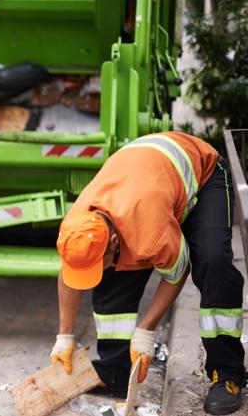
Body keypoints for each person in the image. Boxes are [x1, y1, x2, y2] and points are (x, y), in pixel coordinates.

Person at [51, 131, 246, 415]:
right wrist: (64, 337)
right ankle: (115, 371)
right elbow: (69, 274)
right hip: (148, 178)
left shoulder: (149, 232)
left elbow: (177, 272)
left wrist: (146, 332)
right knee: (112, 277)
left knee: (212, 262)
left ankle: (227, 375)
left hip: (203, 178)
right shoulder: (78, 223)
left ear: (114, 241)